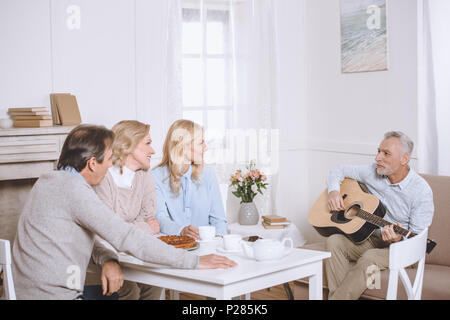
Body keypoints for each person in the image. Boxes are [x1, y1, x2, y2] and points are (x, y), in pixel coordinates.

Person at [11, 124, 237, 300]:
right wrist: (194, 262)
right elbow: (127, 237)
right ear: (91, 163)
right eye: (108, 160)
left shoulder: (48, 181)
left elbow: (88, 236)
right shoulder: (75, 191)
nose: (110, 166)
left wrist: (108, 258)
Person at [325, 131, 434, 300]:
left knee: (370, 257)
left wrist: (398, 240)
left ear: (404, 159)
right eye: (378, 151)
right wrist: (333, 191)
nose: (377, 158)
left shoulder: (421, 191)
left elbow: (417, 239)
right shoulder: (372, 172)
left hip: (403, 248)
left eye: (386, 153)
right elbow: (338, 170)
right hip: (372, 237)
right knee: (334, 242)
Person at [91, 120, 162, 300]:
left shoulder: (144, 175)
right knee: (130, 290)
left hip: (131, 251)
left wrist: (127, 227)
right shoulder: (103, 177)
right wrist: (144, 227)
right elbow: (106, 231)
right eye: (147, 143)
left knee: (154, 283)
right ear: (128, 145)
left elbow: (148, 215)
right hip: (101, 253)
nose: (153, 150)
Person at [153, 119, 227, 239]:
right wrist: (181, 230)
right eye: (201, 143)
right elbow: (159, 218)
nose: (206, 148)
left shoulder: (208, 174)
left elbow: (219, 220)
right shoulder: (156, 176)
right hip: (174, 246)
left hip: (207, 244)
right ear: (183, 146)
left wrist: (216, 241)